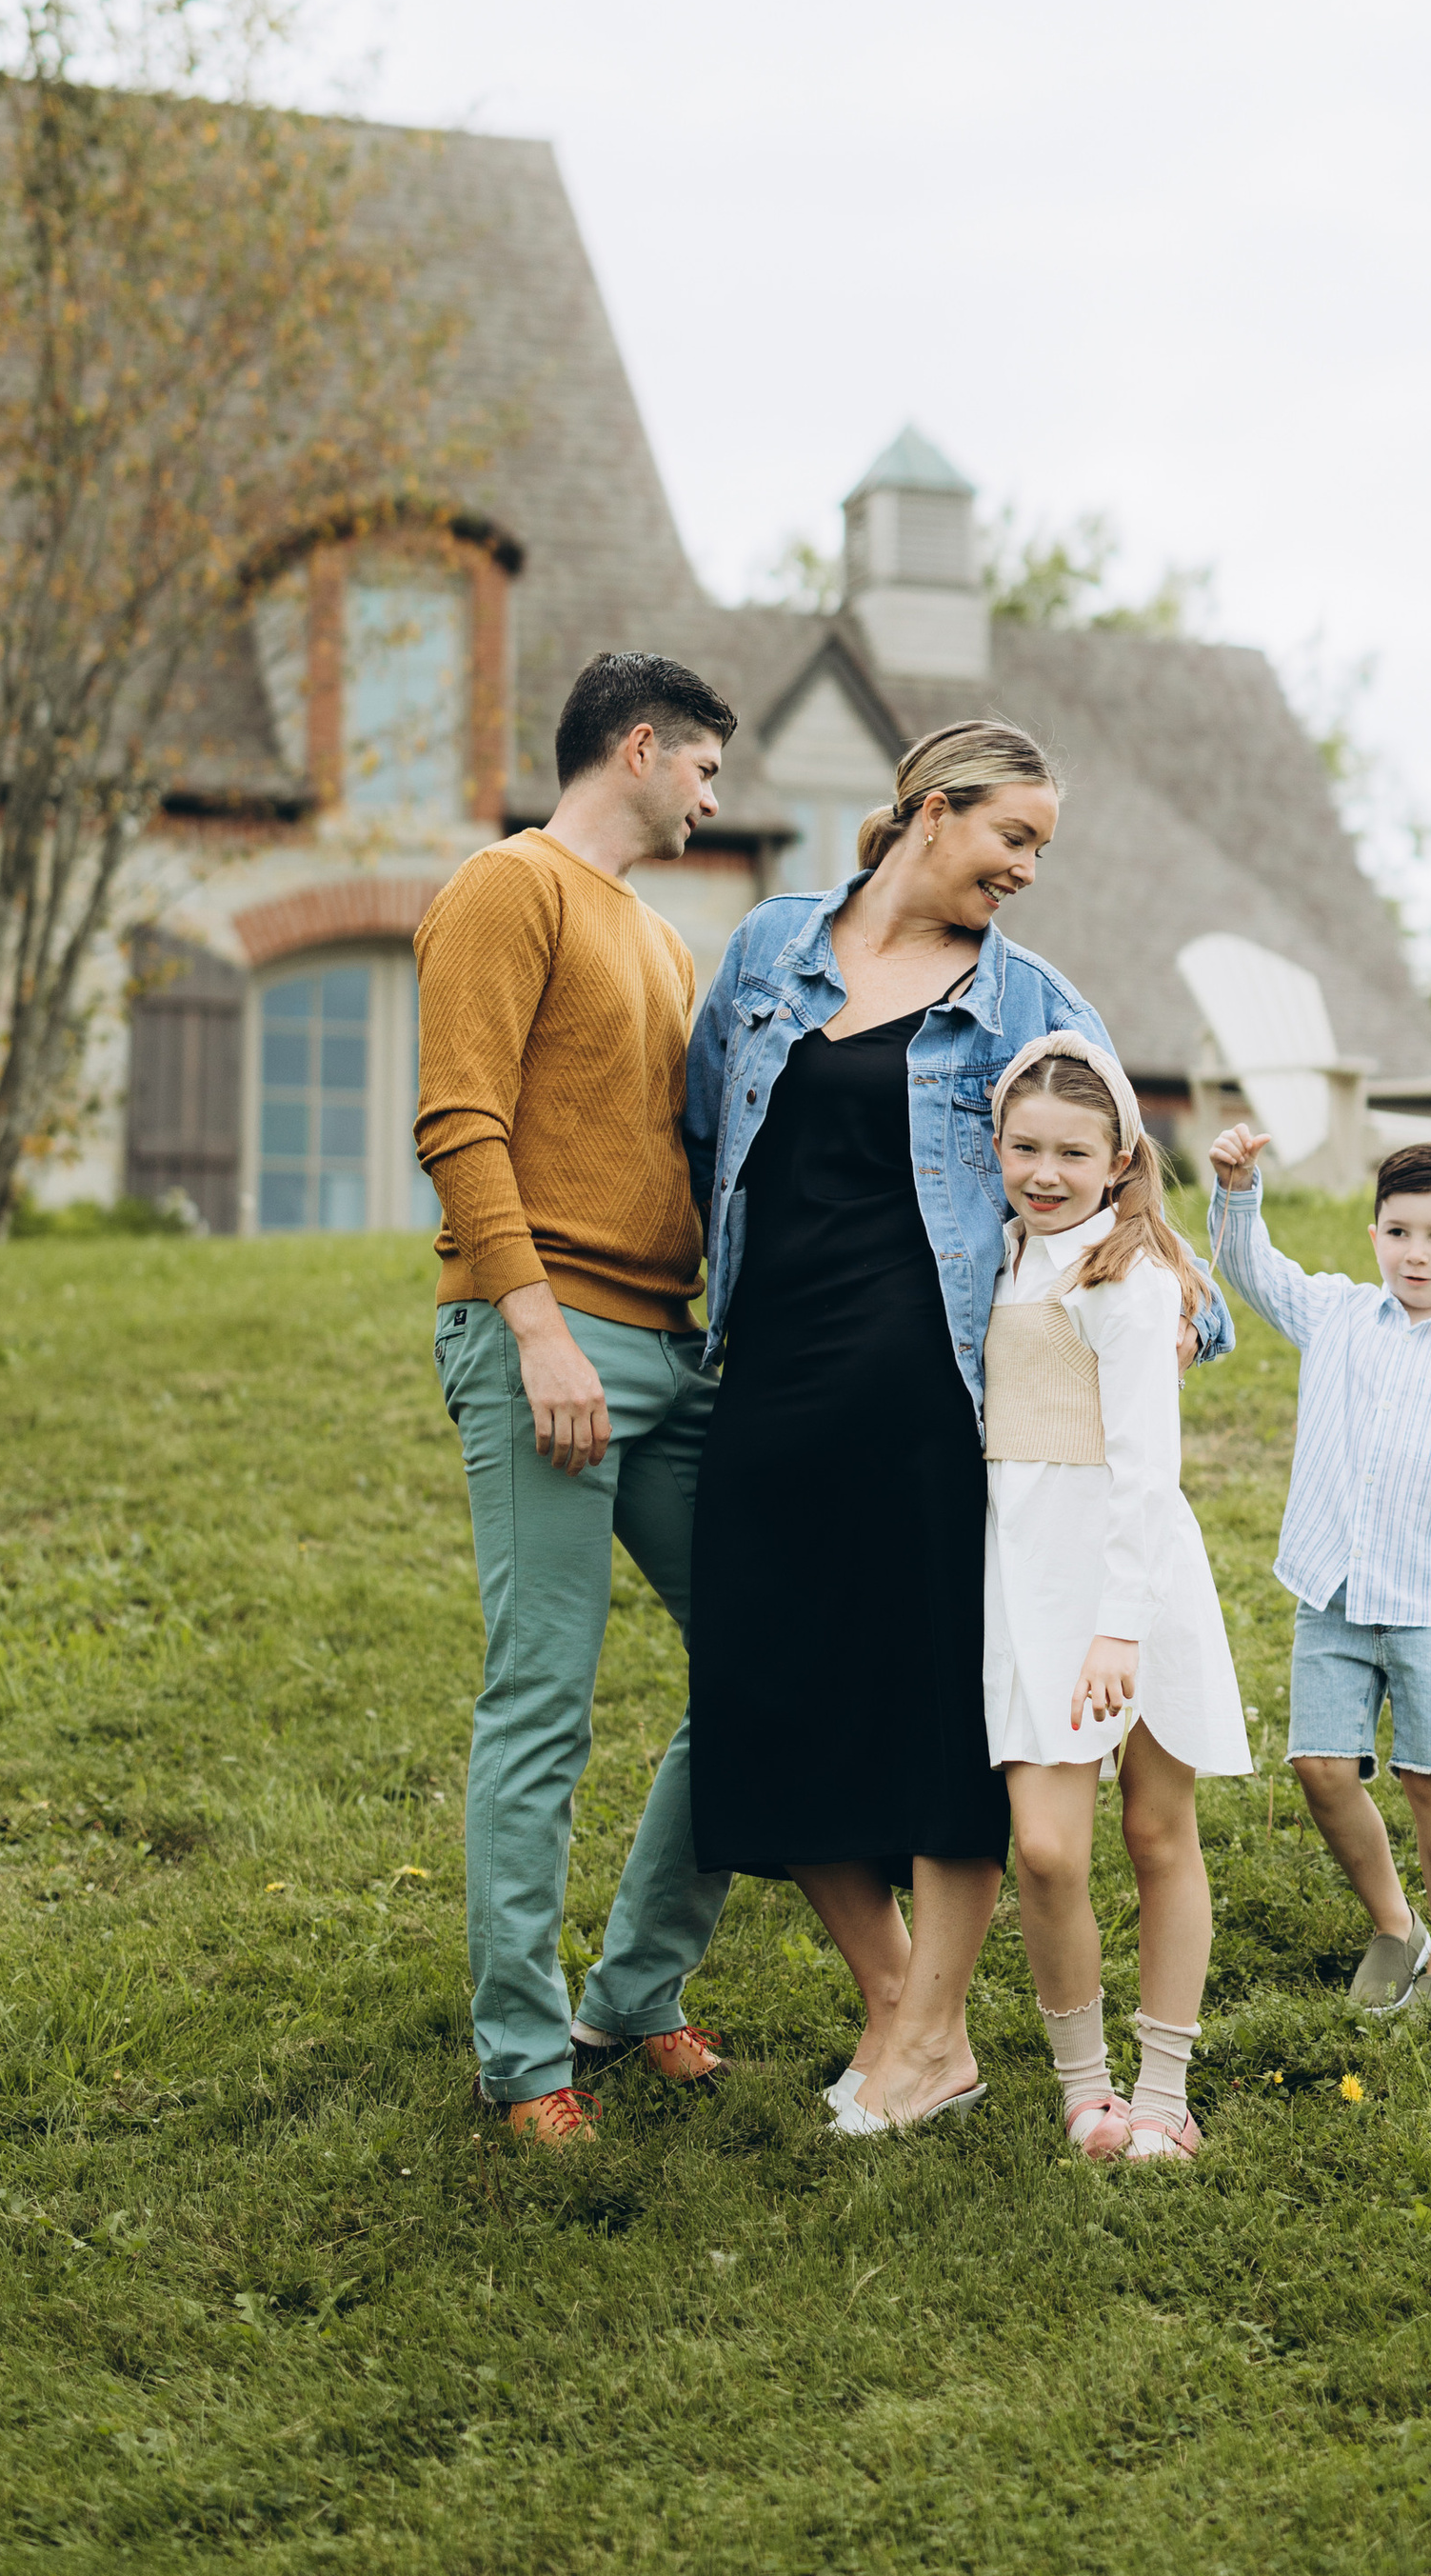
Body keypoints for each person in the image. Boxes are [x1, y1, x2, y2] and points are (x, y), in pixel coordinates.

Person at [683, 718, 1109, 2135]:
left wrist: (1178, 1301)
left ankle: (932, 2033)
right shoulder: (769, 952)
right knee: (768, 1692)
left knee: (933, 1717)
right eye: (1014, 838)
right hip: (771, 1381)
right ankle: (900, 2014)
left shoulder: (1028, 998)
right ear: (933, 812)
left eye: (1040, 847)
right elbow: (704, 1136)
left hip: (932, 1401)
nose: (1028, 869)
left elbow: (1119, 1188)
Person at [412, 649, 740, 2143]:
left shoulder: (664, 943)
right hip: (543, 1332)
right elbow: (459, 1120)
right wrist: (538, 1333)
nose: (714, 798)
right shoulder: (507, 887)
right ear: (641, 745)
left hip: (668, 1351)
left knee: (755, 1656)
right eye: (707, 771)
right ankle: (522, 2055)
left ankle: (634, 1990)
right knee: (544, 1696)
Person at [1204, 1124, 1431, 2016]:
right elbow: (1253, 1270)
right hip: (1334, 1589)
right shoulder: (1338, 1314)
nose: (1417, 1254)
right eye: (1399, 1232)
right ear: (1374, 1237)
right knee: (1322, 1768)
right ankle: (1397, 1924)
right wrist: (1239, 1188)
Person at [984, 1035, 1250, 2165]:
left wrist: (1120, 1627)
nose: (1045, 1173)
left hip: (1125, 1576)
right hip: (1025, 1572)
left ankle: (1162, 2091)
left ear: (1118, 1155)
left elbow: (1146, 1467)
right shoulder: (994, 1256)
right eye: (1023, 1147)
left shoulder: (1128, 1275)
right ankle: (1081, 2089)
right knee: (1044, 1849)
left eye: (1071, 1153)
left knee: (1153, 1826)